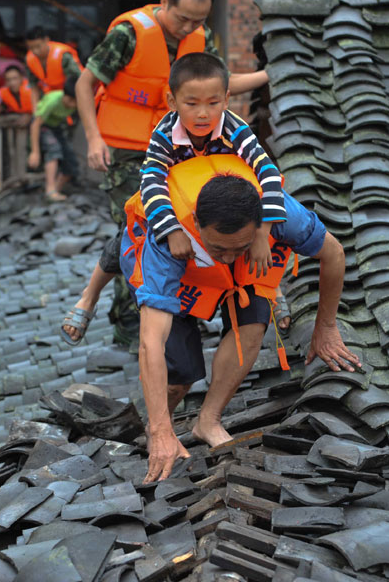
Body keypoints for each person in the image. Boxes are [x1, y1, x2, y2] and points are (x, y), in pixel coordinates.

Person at [119, 155, 361, 482]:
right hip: (179, 270)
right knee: (181, 373)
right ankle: (159, 428)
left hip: (239, 273)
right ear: (197, 223)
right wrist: (162, 429)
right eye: (220, 248)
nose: (230, 256)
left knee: (254, 318)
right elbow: (151, 342)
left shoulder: (280, 214)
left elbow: (333, 253)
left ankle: (209, 419)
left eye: (239, 246)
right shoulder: (167, 235)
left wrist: (326, 327)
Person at [73, 0, 269, 346]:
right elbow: (86, 83)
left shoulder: (201, 37)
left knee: (189, 225)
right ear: (164, 3)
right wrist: (93, 138)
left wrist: (267, 75)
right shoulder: (128, 35)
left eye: (198, 21)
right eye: (183, 18)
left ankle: (180, 313)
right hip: (127, 148)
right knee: (137, 229)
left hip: (179, 148)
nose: (189, 27)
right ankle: (131, 328)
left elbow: (219, 83)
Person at [62, 53, 285, 344]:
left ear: (226, 99)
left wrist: (262, 230)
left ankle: (275, 290)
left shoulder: (235, 129)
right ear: (172, 102)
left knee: (276, 228)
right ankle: (88, 298)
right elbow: (152, 184)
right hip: (179, 201)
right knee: (129, 233)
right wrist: (172, 231)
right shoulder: (164, 134)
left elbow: (267, 171)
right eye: (191, 104)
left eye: (213, 103)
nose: (203, 114)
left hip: (227, 199)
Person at [28, 77, 79, 202]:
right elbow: (35, 124)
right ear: (65, 96)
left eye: (75, 101)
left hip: (57, 128)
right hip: (42, 126)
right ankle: (50, 190)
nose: (73, 105)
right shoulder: (53, 101)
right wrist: (35, 151)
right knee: (54, 150)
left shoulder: (79, 102)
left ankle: (55, 190)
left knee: (71, 162)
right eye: (71, 100)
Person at [25, 26, 83, 95]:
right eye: (31, 48)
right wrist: (35, 106)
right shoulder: (29, 59)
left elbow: (77, 80)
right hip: (50, 94)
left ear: (46, 40)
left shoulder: (63, 55)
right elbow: (33, 85)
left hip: (70, 94)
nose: (35, 51)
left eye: (38, 46)